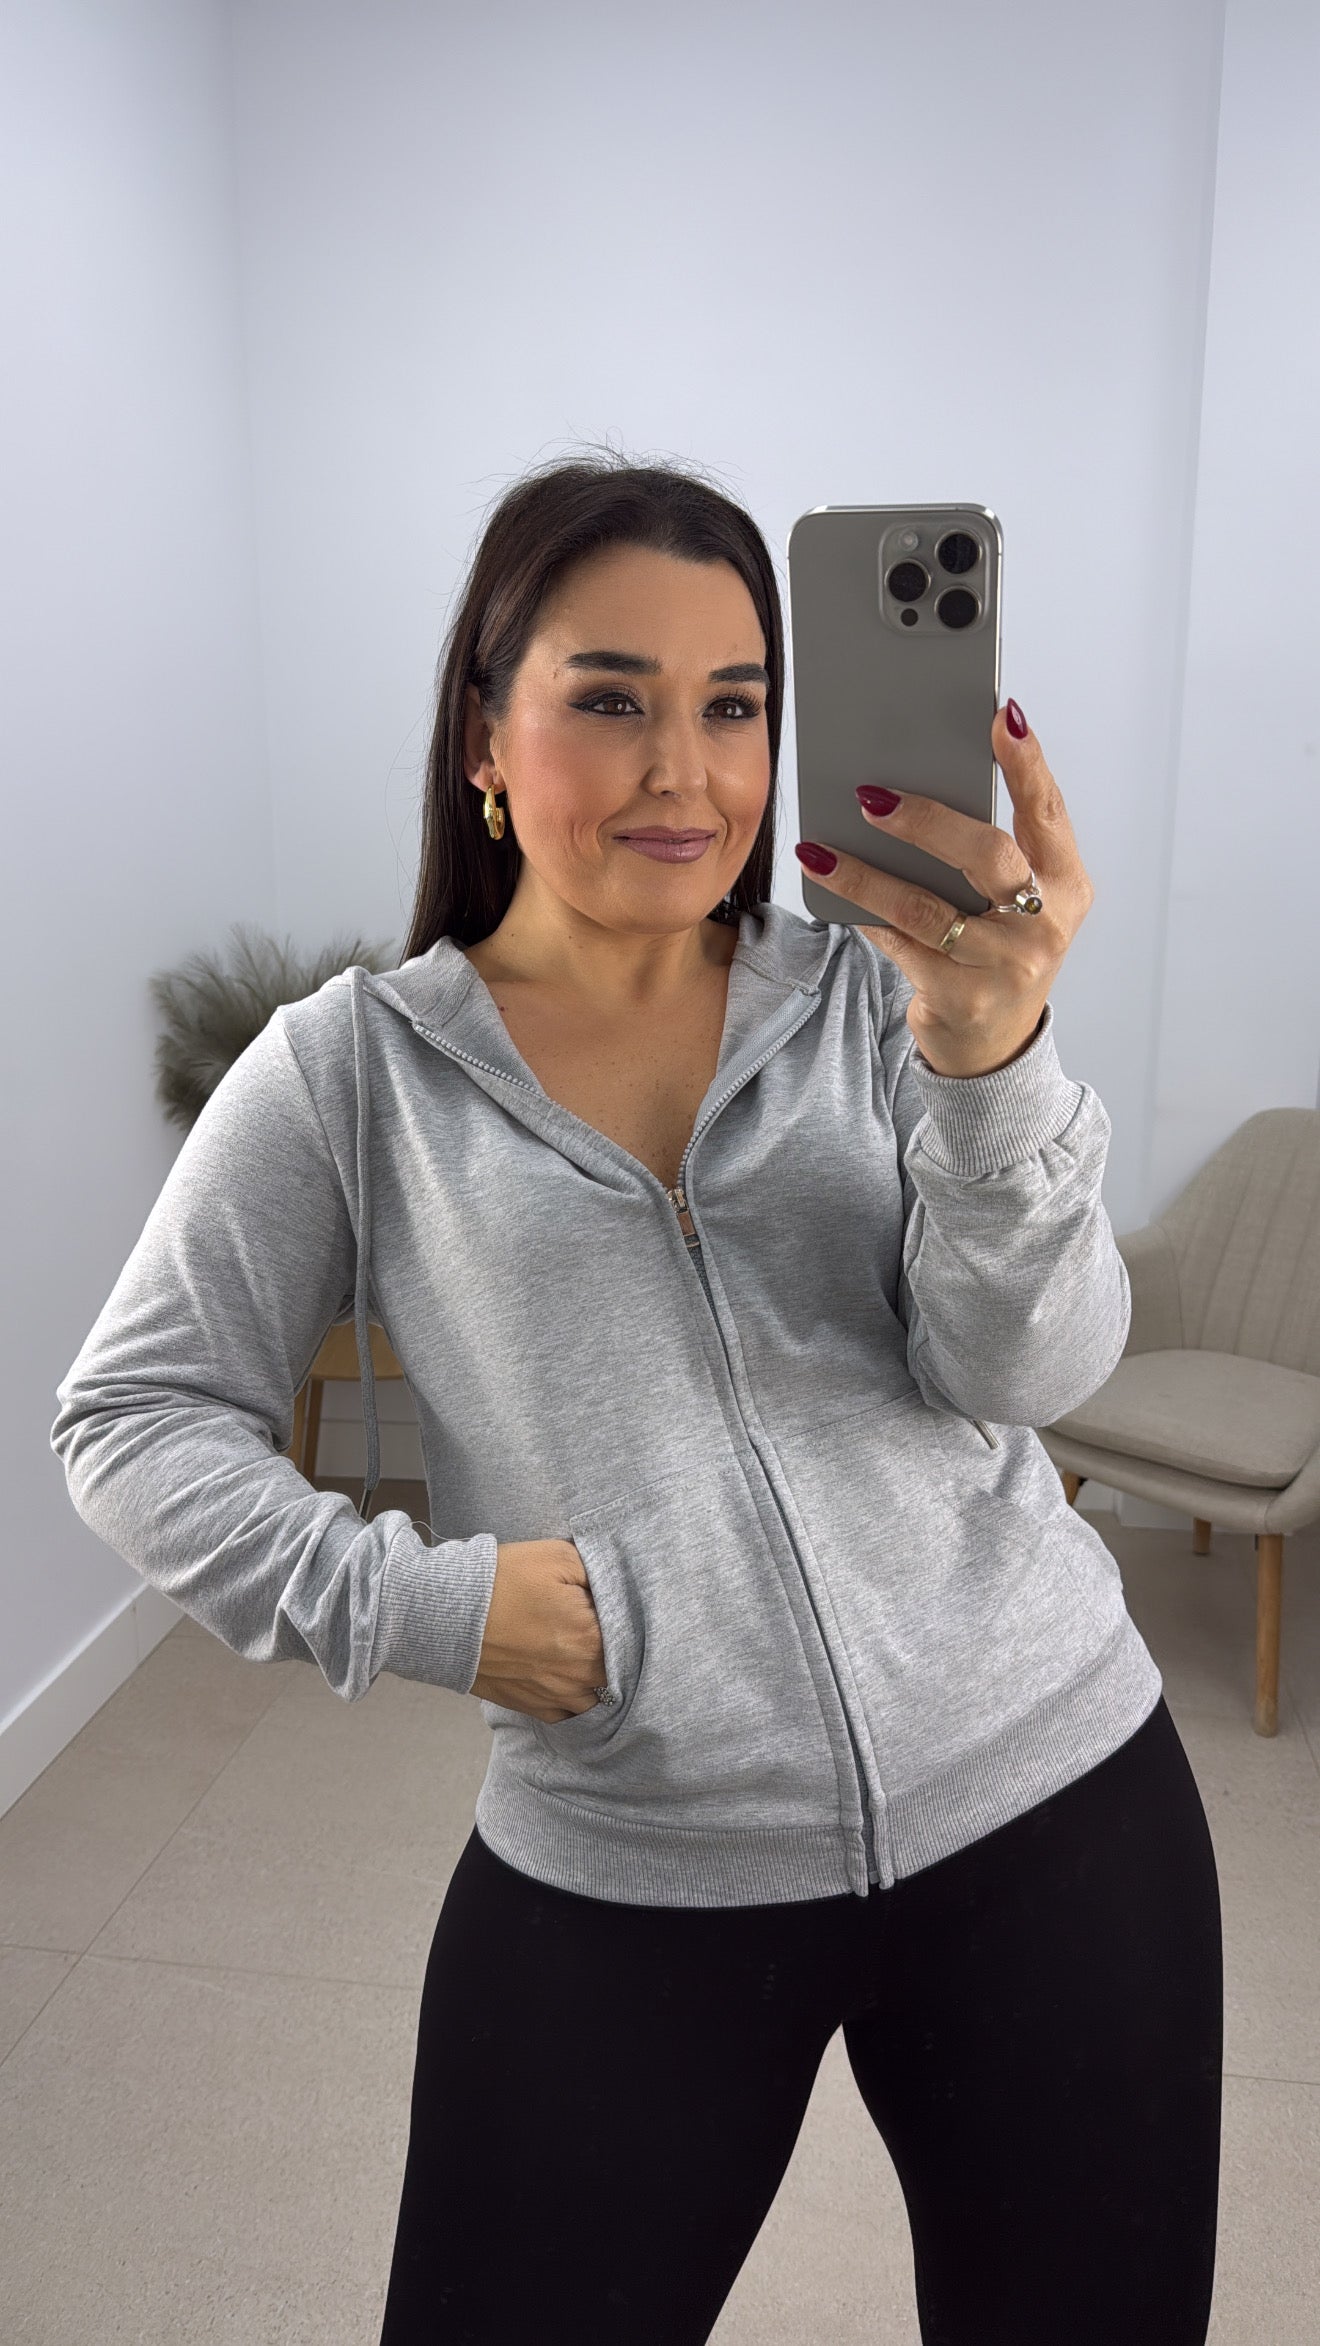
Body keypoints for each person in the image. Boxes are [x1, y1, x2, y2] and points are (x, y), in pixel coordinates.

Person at [51, 454, 1223, 2345]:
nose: (686, 772)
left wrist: (992, 1058)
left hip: (1058, 1797)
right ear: (484, 737)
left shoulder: (882, 997)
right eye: (610, 699)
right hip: (634, 1852)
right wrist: (432, 1603)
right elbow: (130, 1416)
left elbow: (1034, 1369)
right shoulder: (350, 1076)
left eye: (734, 705)